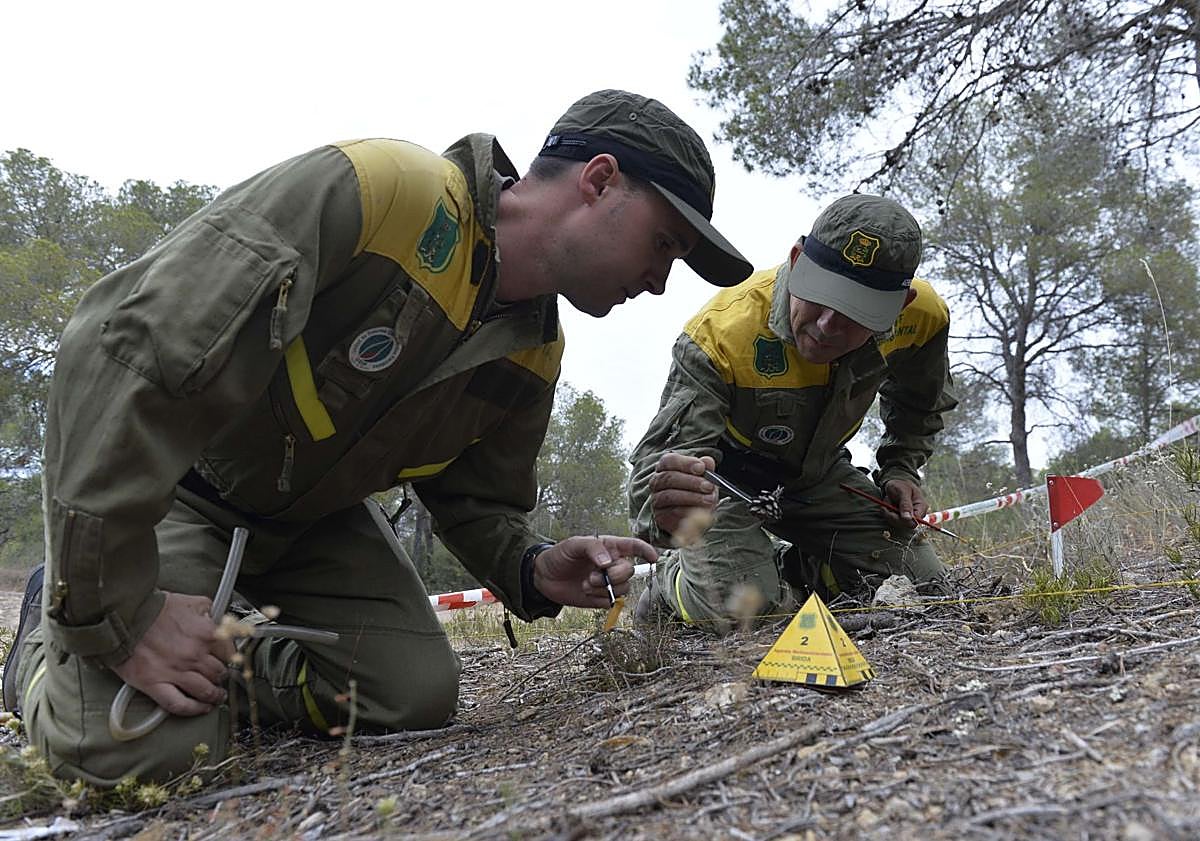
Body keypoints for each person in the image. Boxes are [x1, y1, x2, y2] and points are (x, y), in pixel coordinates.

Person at [1, 89, 753, 785]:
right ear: (598, 180)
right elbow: (124, 349)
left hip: (313, 526)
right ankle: (51, 625)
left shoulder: (536, 350)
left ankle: (206, 646)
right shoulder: (383, 195)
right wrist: (115, 606)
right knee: (134, 752)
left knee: (409, 690)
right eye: (663, 244)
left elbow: (474, 501)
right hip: (182, 495)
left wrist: (533, 566)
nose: (660, 282)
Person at [628, 194, 957, 633]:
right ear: (797, 259)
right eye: (819, 298)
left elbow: (920, 403)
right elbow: (658, 471)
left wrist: (900, 470)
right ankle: (672, 585)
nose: (826, 326)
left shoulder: (924, 319)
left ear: (900, 305)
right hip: (723, 484)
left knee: (926, 588)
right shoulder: (720, 334)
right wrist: (673, 510)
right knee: (745, 613)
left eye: (855, 313)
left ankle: (793, 571)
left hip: (818, 475)